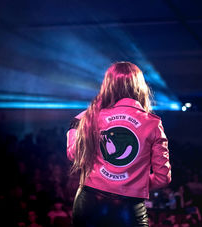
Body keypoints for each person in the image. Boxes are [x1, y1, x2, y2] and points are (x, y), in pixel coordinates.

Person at [66, 61, 172, 227]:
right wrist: (132, 183)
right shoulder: (152, 123)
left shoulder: (91, 116)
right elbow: (162, 178)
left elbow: (73, 154)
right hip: (129, 209)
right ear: (140, 86)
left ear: (108, 85)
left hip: (89, 203)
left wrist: (75, 125)